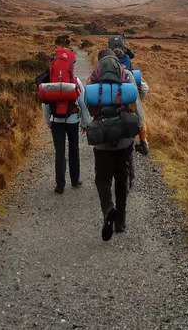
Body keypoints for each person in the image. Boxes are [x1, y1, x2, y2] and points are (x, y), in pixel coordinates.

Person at [87, 49, 145, 240]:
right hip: (124, 138)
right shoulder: (127, 74)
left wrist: (90, 124)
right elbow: (137, 104)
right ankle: (120, 222)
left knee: (102, 179)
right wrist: (141, 132)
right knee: (122, 179)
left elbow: (88, 105)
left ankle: (108, 209)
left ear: (100, 62)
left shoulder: (94, 77)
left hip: (102, 139)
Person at [42, 49, 91, 194]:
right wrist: (84, 122)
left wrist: (48, 122)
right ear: (71, 66)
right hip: (72, 120)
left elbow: (45, 104)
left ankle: (60, 185)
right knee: (74, 149)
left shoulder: (49, 82)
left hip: (56, 120)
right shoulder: (75, 81)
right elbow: (83, 103)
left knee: (59, 152)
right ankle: (75, 180)